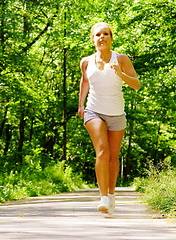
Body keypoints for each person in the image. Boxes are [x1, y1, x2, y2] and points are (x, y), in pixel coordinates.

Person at [78, 22, 140, 214]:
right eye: (98, 34)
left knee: (113, 157)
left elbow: (136, 85)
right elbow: (85, 81)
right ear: (93, 39)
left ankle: (111, 196)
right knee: (102, 151)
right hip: (93, 111)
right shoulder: (86, 62)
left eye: (106, 34)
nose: (102, 37)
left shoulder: (121, 59)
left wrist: (120, 73)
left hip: (117, 114)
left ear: (111, 38)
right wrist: (81, 104)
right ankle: (103, 197)